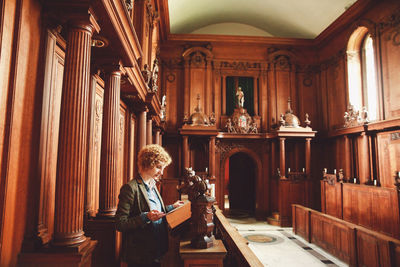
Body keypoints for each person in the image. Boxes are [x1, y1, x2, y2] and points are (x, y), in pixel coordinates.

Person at [116, 144, 184, 267]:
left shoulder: (153, 185)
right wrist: (145, 217)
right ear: (148, 164)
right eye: (159, 167)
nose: (162, 172)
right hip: (140, 255)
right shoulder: (130, 188)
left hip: (156, 250)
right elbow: (120, 223)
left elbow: (154, 211)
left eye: (163, 168)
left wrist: (171, 207)